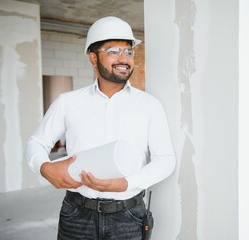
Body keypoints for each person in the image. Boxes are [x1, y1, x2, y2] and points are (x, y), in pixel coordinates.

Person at [25, 16, 176, 240]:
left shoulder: (149, 105)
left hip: (129, 217)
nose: (124, 58)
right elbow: (35, 143)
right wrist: (44, 167)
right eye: (113, 51)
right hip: (76, 215)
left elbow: (166, 159)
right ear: (93, 58)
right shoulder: (68, 102)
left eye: (129, 51)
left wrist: (127, 183)